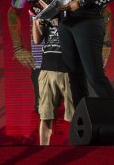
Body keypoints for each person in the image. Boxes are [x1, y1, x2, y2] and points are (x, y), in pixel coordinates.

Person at [7, 0, 70, 116]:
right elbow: (13, 13)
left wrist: (105, 44)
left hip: (76, 59)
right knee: (46, 115)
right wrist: (18, 48)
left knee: (79, 113)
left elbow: (103, 11)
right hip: (43, 61)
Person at [31, 8, 72, 146]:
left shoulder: (70, 12)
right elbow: (37, 39)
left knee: (74, 115)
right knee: (45, 114)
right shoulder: (46, 17)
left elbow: (65, 30)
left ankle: (77, 149)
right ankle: (44, 150)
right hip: (47, 69)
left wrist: (49, 12)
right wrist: (36, 18)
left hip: (68, 71)